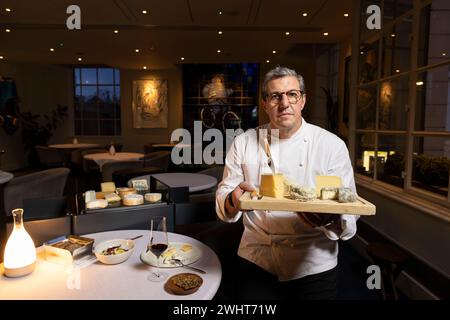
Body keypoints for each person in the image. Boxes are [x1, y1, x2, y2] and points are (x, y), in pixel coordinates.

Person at [215, 66, 358, 300]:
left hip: (314, 264)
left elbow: (348, 207)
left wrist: (329, 216)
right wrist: (234, 199)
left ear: (302, 100)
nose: (284, 103)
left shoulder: (331, 145)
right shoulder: (242, 143)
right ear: (264, 103)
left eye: (292, 94)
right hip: (257, 259)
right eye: (275, 96)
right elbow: (225, 197)